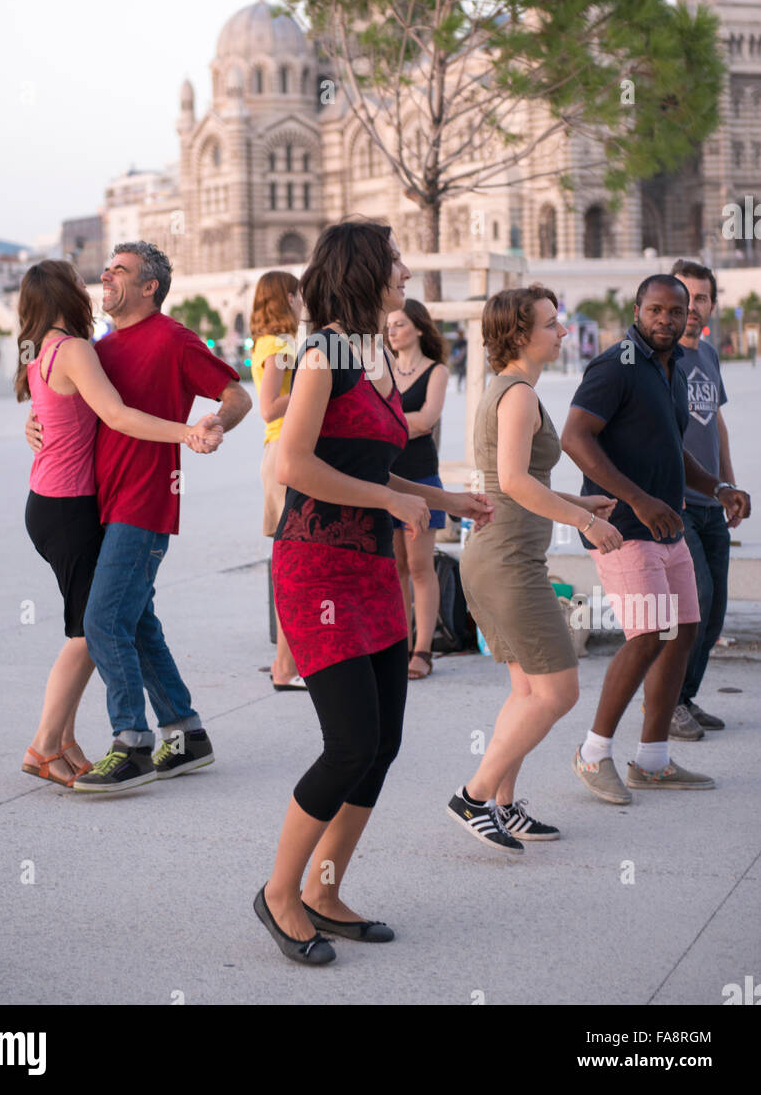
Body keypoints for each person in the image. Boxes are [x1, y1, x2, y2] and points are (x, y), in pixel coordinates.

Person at [254, 220, 493, 965]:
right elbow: (294, 463)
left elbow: (361, 462)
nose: (404, 269)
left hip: (368, 572)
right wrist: (393, 504)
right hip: (316, 565)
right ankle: (278, 893)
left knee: (382, 745)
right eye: (393, 259)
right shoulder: (323, 349)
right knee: (349, 743)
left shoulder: (377, 358)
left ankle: (325, 890)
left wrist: (442, 500)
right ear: (364, 269)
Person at [26, 242, 250, 793]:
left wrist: (212, 425)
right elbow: (80, 405)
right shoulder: (100, 344)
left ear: (149, 286)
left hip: (144, 501)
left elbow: (237, 395)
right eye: (105, 269)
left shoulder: (174, 338)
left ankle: (132, 743)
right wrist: (34, 421)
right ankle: (187, 733)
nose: (106, 276)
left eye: (119, 270)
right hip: (99, 502)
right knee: (138, 621)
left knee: (102, 621)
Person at [562, 275, 749, 803]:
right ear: (637, 310)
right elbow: (575, 438)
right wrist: (639, 499)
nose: (665, 319)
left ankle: (653, 760)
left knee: (682, 631)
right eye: (655, 310)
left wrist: (720, 486)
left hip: (669, 526)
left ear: (691, 313)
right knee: (646, 634)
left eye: (675, 311)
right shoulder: (615, 365)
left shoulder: (672, 370)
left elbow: (672, 450)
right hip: (624, 528)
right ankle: (592, 753)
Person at [448, 286, 621, 854]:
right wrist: (586, 523)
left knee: (527, 691)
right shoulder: (518, 394)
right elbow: (516, 482)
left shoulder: (512, 390)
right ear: (521, 335)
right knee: (558, 691)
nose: (563, 332)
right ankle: (473, 797)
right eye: (551, 324)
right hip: (507, 562)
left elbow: (514, 481)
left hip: (501, 556)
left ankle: (502, 804)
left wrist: (577, 501)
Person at [669, 259, 751, 738]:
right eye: (685, 296)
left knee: (716, 606)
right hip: (676, 502)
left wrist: (729, 486)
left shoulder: (708, 357)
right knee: (693, 600)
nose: (693, 307)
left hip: (709, 502)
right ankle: (665, 702)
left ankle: (686, 697)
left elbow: (714, 422)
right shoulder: (662, 356)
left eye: (701, 298)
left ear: (712, 305)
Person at [386, 301, 450, 680]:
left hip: (422, 476)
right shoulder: (381, 369)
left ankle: (423, 649)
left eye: (400, 324)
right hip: (385, 478)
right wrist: (400, 424)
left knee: (421, 567)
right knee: (395, 568)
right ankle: (399, 644)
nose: (392, 331)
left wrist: (384, 422)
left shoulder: (436, 371)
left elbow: (426, 421)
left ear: (420, 329)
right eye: (389, 325)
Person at [250, 269, 307, 690]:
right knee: (297, 563)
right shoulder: (281, 346)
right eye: (299, 294)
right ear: (288, 298)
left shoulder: (269, 343)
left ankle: (285, 661)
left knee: (293, 561)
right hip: (285, 449)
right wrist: (313, 381)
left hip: (280, 451)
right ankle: (285, 666)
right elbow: (269, 407)